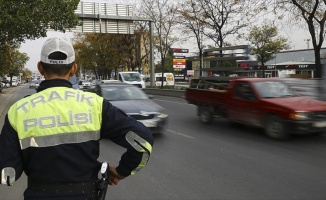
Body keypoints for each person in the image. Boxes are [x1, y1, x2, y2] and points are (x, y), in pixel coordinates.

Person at [0, 37, 154, 200]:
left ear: (40, 68)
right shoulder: (94, 104)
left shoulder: (18, 110)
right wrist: (121, 172)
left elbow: (7, 175)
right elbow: (143, 141)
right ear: (73, 69)